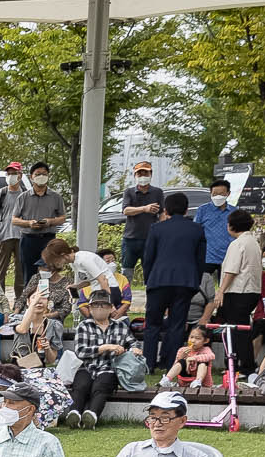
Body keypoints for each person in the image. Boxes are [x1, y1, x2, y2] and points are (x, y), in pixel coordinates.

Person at [140, 191, 206, 372]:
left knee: (152, 324)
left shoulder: (157, 228)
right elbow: (201, 260)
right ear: (186, 209)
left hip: (158, 281)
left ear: (166, 209)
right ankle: (171, 364)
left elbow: (148, 258)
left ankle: (149, 364)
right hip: (185, 282)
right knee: (177, 325)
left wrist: (149, 280)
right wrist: (195, 282)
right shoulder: (197, 229)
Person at [201, 207, 263, 374]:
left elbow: (231, 270)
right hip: (251, 291)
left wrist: (221, 291)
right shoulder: (254, 242)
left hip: (238, 291)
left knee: (236, 330)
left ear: (232, 226)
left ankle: (244, 366)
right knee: (238, 329)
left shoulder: (238, 244)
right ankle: (238, 364)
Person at [66, 290, 132, 426]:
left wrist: (134, 349)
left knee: (101, 386)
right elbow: (80, 352)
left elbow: (133, 343)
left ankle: (92, 416)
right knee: (81, 386)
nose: (99, 308)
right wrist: (104, 347)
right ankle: (74, 415)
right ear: (90, 308)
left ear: (110, 307)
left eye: (103, 305)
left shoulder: (121, 327)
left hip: (110, 368)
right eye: (96, 305)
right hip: (87, 366)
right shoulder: (83, 326)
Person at [9, 162, 65, 294]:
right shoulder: (23, 197)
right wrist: (29, 223)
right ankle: (29, 302)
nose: (41, 177)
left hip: (48, 240)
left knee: (48, 271)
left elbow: (62, 217)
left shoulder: (55, 197)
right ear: (31, 176)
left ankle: (45, 301)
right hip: (28, 239)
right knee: (28, 273)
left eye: (44, 174)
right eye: (38, 174)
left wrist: (50, 221)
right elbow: (14, 219)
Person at [118, 162, 162, 279]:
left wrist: (162, 231)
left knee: (150, 272)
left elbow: (162, 213)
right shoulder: (129, 192)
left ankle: (151, 295)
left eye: (145, 173)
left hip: (150, 238)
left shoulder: (158, 192)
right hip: (130, 239)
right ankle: (125, 296)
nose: (142, 176)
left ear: (151, 174)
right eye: (139, 174)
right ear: (135, 176)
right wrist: (144, 209)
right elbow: (126, 210)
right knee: (126, 272)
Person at [0, 162, 26, 280]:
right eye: (8, 174)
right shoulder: (1, 194)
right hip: (4, 236)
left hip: (22, 237)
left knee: (20, 272)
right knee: (0, 271)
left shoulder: (26, 194)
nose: (11, 176)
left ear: (20, 175)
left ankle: (20, 298)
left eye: (14, 173)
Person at [163, 323, 220, 392]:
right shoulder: (182, 350)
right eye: (191, 337)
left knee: (203, 363)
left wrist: (193, 358)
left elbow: (211, 356)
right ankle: (166, 380)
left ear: (206, 341)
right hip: (184, 380)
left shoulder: (206, 350)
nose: (193, 341)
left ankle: (197, 382)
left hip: (202, 383)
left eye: (197, 338)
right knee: (181, 362)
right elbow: (175, 366)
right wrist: (181, 357)